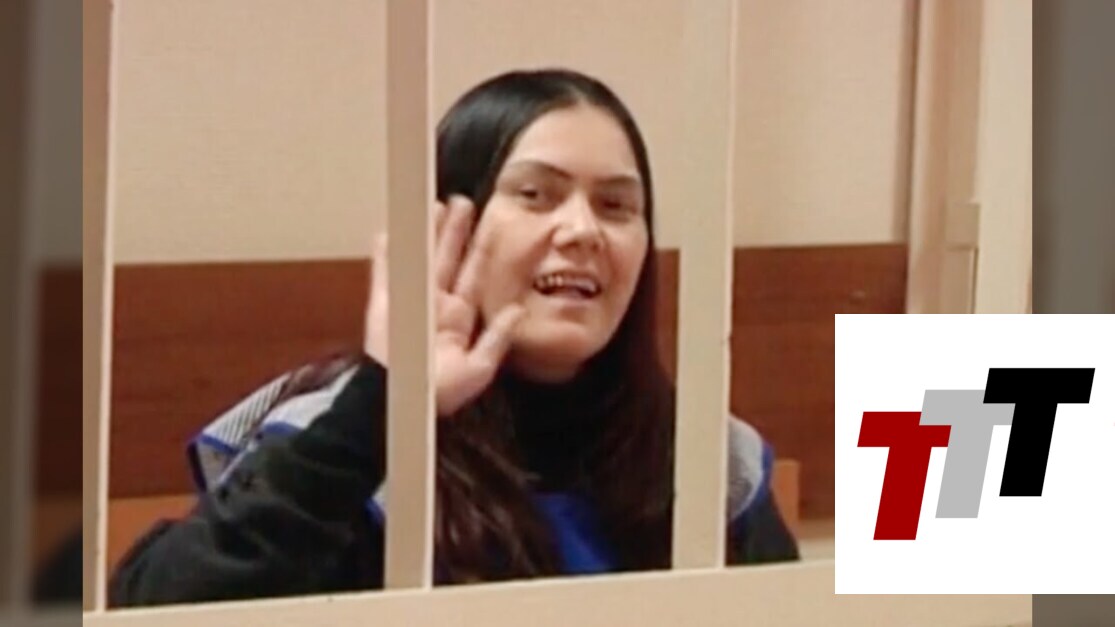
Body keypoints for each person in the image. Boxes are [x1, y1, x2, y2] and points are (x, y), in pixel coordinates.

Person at [109, 68, 798, 608]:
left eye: (616, 205)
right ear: (448, 225)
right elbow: (156, 605)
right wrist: (387, 402)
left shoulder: (711, 462)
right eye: (536, 194)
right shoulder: (340, 432)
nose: (583, 230)